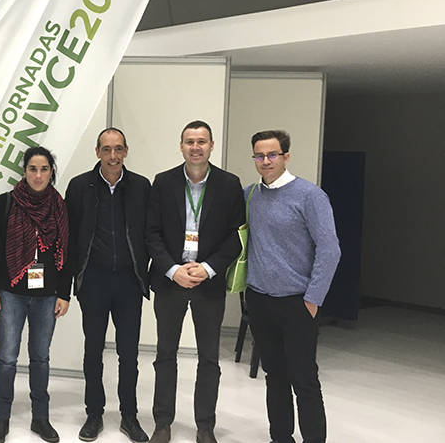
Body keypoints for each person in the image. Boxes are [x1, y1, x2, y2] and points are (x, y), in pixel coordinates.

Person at [146, 121, 244, 443]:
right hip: (171, 281)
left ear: (212, 146)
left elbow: (236, 236)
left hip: (208, 282)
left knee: (209, 359)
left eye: (202, 141)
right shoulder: (163, 182)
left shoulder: (230, 185)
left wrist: (209, 267)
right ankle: (162, 422)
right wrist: (173, 270)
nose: (196, 147)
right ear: (181, 146)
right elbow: (152, 234)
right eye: (190, 141)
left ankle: (205, 426)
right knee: (165, 355)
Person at [245, 129, 340, 443]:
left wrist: (313, 298)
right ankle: (280, 437)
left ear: (286, 156)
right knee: (275, 376)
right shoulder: (251, 195)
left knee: (305, 380)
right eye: (260, 155)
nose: (266, 160)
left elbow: (329, 250)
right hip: (260, 301)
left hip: (298, 303)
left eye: (273, 154)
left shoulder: (310, 196)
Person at [64, 127, 153, 443]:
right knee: (93, 350)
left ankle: (129, 415)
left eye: (118, 149)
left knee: (129, 353)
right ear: (97, 152)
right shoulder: (79, 187)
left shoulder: (142, 186)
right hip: (95, 281)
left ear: (126, 151)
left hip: (130, 282)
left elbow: (150, 233)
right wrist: (70, 279)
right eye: (106, 149)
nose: (113, 156)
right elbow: (69, 237)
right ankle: (94, 414)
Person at [0, 146, 71, 443]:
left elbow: (67, 254)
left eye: (44, 169)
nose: (38, 175)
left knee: (41, 357)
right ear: (24, 171)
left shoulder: (59, 206)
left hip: (47, 295)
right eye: (32, 169)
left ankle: (40, 418)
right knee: (7, 356)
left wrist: (64, 293)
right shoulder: (6, 203)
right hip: (11, 293)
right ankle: (1, 418)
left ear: (51, 172)